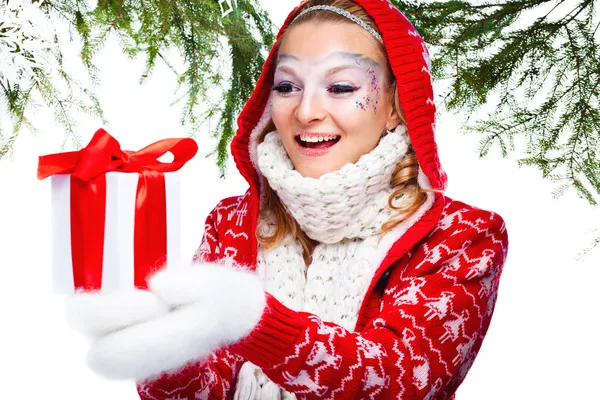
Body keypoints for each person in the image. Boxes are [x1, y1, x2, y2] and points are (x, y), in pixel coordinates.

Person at [66, 0, 509, 399]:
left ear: (395, 103)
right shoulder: (232, 221)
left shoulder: (461, 237)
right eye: (287, 86)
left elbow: (401, 381)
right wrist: (160, 351)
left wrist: (257, 321)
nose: (305, 111)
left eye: (341, 87)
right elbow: (205, 390)